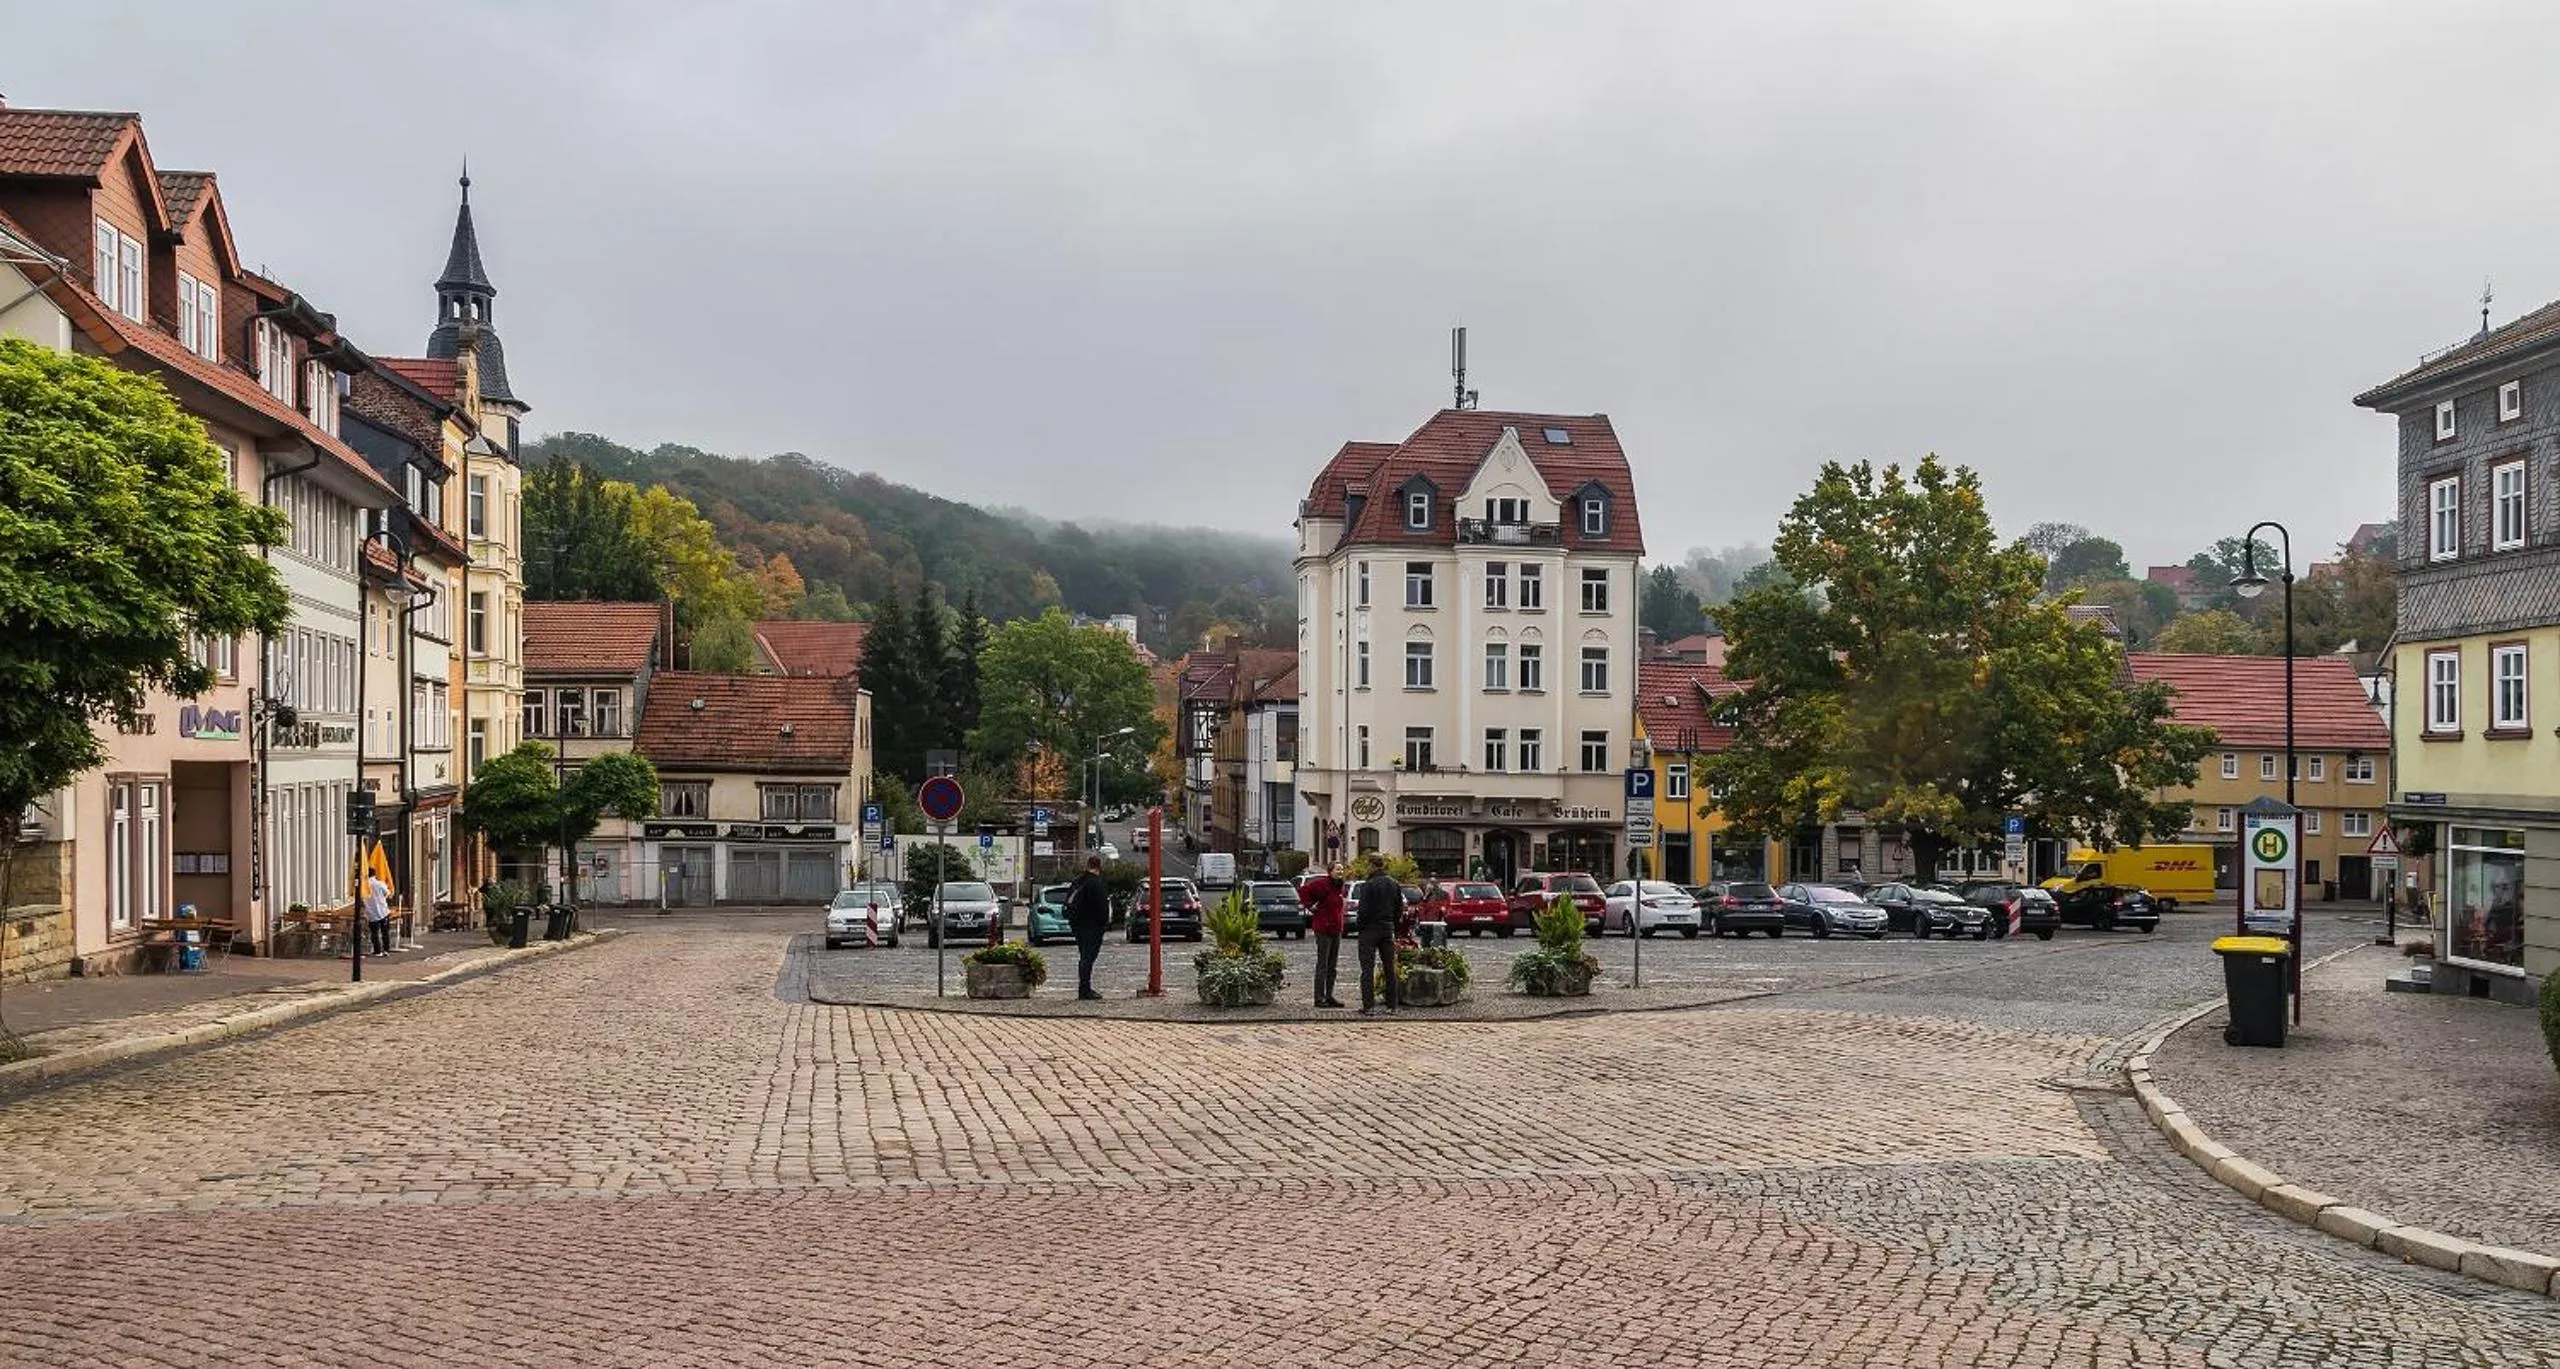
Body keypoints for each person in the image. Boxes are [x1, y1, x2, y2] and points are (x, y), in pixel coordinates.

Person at [1354, 856, 1404, 1016]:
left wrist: (1360, 927)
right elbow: (1399, 908)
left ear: (1372, 865)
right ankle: (1392, 1005)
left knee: (1367, 968)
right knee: (1389, 968)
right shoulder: (1394, 884)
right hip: (1387, 928)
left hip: (1369, 929)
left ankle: (1368, 1006)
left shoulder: (1368, 885)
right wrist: (1393, 925)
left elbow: (1363, 910)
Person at [1299, 865, 1348, 1008]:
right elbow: (1303, 890)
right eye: (1337, 869)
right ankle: (1319, 997)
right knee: (1323, 964)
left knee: (1333, 965)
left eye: (1341, 869)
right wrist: (1310, 906)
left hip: (1336, 928)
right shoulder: (1322, 884)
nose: (1340, 871)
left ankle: (1329, 995)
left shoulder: (1340, 886)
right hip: (1323, 928)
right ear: (1330, 871)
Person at [1066, 856, 1113, 1000]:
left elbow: (1068, 903)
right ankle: (1084, 989)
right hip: (1092, 927)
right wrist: (1103, 924)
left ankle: (1084, 987)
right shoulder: (1096, 883)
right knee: (1088, 958)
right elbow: (1102, 907)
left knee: (1083, 956)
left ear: (1087, 865)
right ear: (1099, 867)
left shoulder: (1078, 882)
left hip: (1078, 926)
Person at [362, 871, 394, 955]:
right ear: (375, 874)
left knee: (374, 933)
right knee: (385, 931)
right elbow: (388, 893)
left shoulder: (364, 886)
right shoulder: (380, 884)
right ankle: (386, 949)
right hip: (383, 910)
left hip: (371, 912)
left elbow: (362, 898)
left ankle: (377, 950)